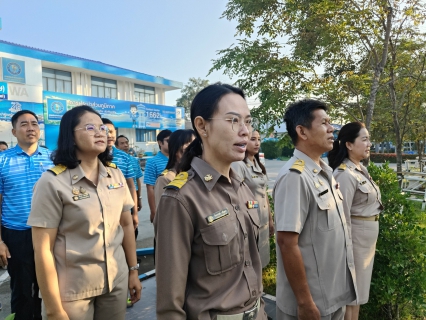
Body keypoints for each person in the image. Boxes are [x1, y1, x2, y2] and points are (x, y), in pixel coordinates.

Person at [154, 83, 267, 319]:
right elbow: (169, 305)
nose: (245, 131)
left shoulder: (242, 186)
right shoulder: (181, 197)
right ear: (202, 126)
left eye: (247, 121)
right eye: (233, 120)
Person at [28, 105, 141, 320]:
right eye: (90, 127)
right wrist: (53, 309)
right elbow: (43, 250)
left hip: (115, 283)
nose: (101, 132)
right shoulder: (52, 182)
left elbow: (126, 225)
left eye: (102, 128)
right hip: (73, 292)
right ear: (70, 136)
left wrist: (133, 270)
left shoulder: (115, 175)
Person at [273, 99, 357, 320]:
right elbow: (286, 243)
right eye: (324, 123)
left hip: (333, 295)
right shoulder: (295, 177)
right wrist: (305, 303)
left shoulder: (325, 170)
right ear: (302, 131)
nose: (332, 129)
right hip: (312, 304)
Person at [0, 110, 53, 320]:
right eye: (24, 124)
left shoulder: (54, 159)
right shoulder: (2, 160)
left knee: (51, 286)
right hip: (17, 234)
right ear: (14, 131)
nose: (30, 128)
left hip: (51, 233)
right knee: (23, 290)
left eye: (34, 123)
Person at [328, 122, 383, 320]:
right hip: (355, 242)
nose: (369, 143)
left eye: (369, 139)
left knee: (359, 294)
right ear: (349, 144)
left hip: (365, 243)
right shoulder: (344, 174)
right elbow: (342, 217)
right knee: (352, 296)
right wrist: (347, 251)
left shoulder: (359, 169)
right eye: (364, 139)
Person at [231, 129, 274, 268]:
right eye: (252, 139)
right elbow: (235, 196)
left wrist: (270, 218)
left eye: (259, 139)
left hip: (262, 220)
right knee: (250, 264)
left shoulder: (258, 164)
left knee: (260, 263)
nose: (257, 143)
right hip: (249, 222)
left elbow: (264, 193)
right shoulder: (239, 165)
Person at [102, 119, 138, 232]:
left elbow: (131, 186)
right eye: (105, 131)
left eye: (112, 132)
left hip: (123, 209)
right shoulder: (91, 156)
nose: (110, 135)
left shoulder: (124, 157)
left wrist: (135, 212)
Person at [153, 129, 195, 211]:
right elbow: (164, 214)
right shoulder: (165, 179)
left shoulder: (196, 174)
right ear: (176, 150)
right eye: (189, 146)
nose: (194, 150)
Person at [144, 130, 171, 223]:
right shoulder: (152, 162)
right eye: (168, 141)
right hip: (162, 205)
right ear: (160, 142)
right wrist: (153, 211)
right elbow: (150, 188)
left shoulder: (179, 159)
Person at [116, 135, 144, 223]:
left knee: (133, 225)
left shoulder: (134, 160)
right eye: (122, 143)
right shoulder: (113, 160)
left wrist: (139, 198)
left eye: (126, 143)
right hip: (119, 196)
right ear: (116, 146)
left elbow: (137, 180)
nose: (125, 145)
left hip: (132, 196)